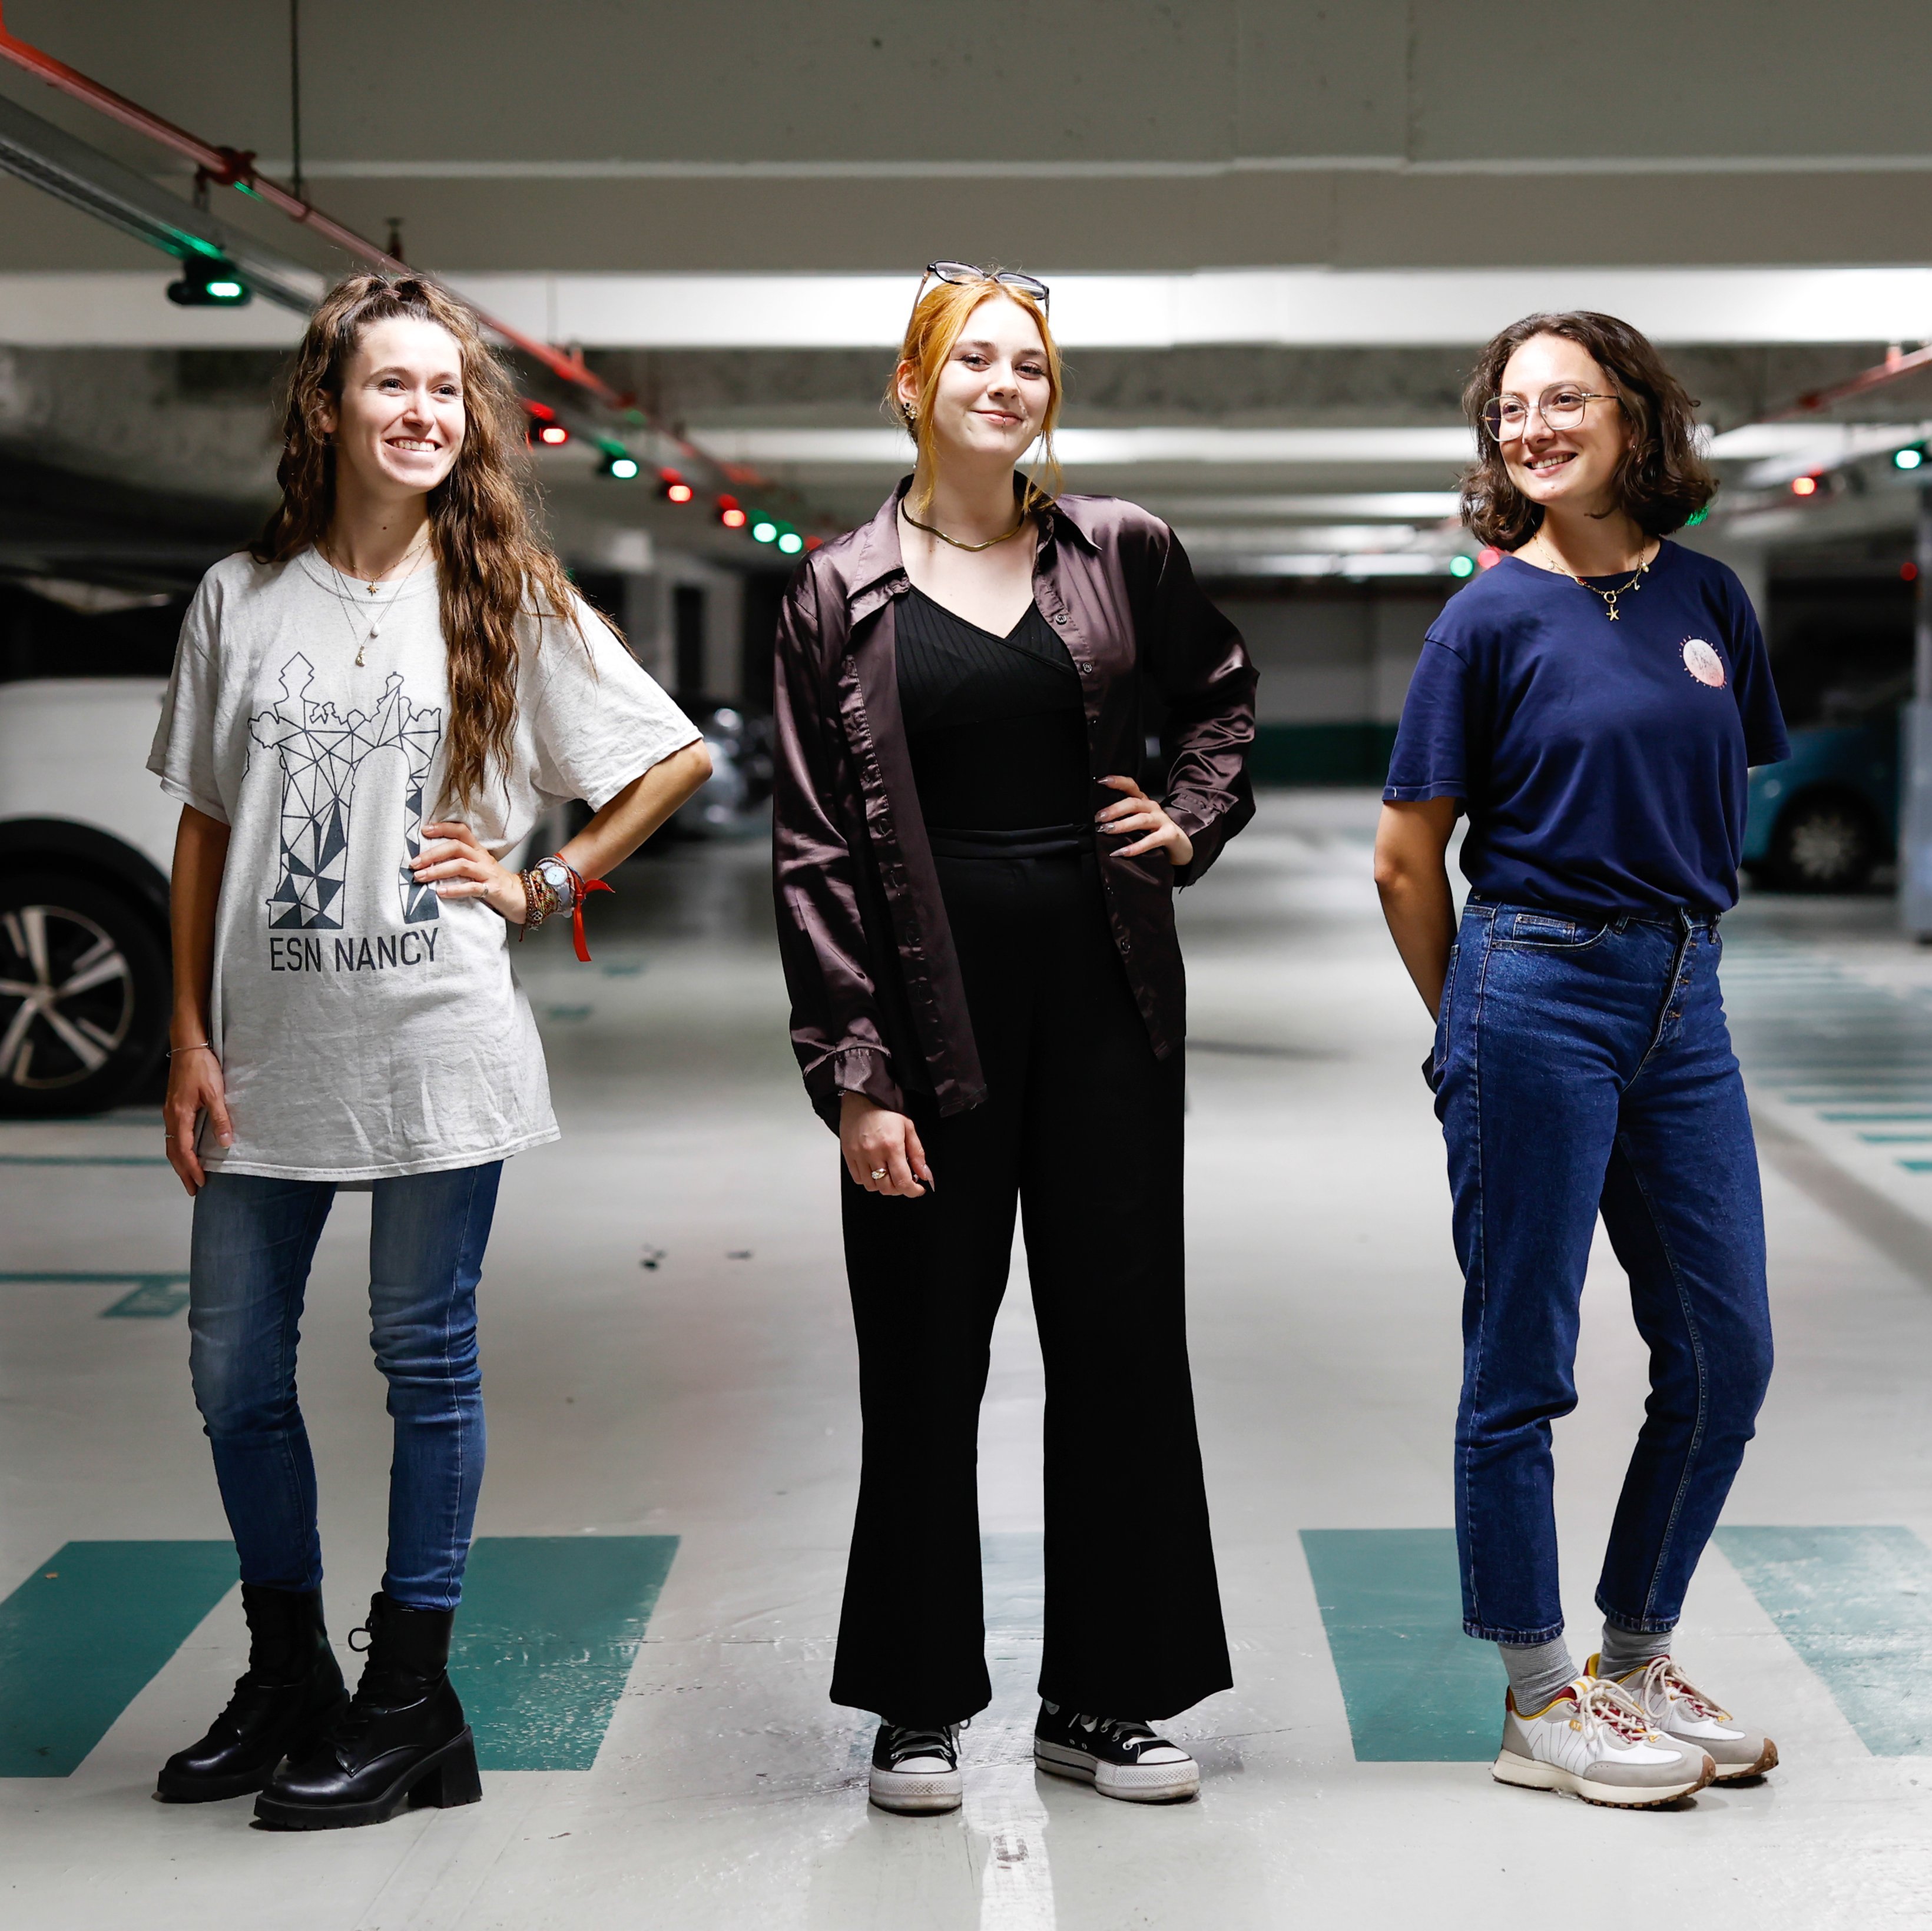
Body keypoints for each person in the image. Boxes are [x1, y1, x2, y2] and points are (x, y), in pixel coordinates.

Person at [148, 273, 710, 1829]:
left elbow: (671, 760)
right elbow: (202, 827)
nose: (419, 414)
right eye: (388, 387)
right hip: (269, 1053)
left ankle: (408, 1696)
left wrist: (546, 881)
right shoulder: (238, 601)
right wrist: (187, 1031)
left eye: (443, 393)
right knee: (233, 1368)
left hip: (438, 1044)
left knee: (424, 1363)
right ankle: (289, 1679)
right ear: (322, 410)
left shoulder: (504, 598)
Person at [773, 263, 1255, 1814]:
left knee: (1120, 1350)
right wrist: (853, 1076)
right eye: (970, 359)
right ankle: (918, 1703)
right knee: (924, 1357)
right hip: (923, 1018)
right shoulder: (837, 589)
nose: (1002, 383)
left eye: (1027, 363)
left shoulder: (1120, 548)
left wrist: (1183, 824)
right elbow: (813, 847)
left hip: (1109, 1002)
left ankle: (1105, 1698)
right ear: (909, 388)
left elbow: (1224, 698)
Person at [1375, 311, 1788, 1809]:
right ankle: (1539, 1693)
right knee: (1523, 1361)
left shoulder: (1710, 599)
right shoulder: (1483, 619)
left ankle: (1636, 1649)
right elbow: (1405, 860)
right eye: (1510, 408)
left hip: (1687, 993)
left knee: (1724, 1347)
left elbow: (1713, 781)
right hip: (1531, 982)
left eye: (1566, 400)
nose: (1533, 427)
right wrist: (1469, 1031)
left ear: (1633, 418)